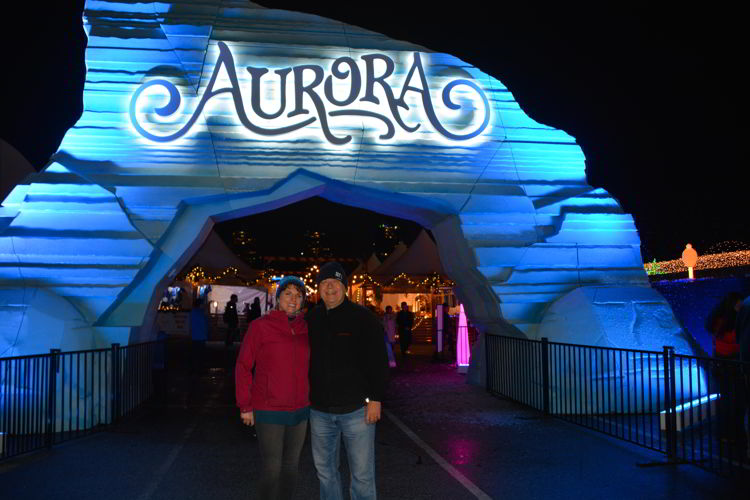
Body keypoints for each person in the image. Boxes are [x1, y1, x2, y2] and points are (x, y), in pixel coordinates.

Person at [306, 262, 389, 500]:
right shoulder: (312, 318)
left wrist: (376, 399)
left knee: (362, 475)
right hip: (320, 410)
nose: (330, 287)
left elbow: (378, 362)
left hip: (357, 410)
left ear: (344, 287)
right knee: (325, 472)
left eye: (335, 282)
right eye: (324, 283)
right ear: (319, 288)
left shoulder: (364, 318)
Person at [235, 276, 310, 500]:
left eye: (298, 295)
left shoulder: (306, 328)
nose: (293, 299)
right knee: (272, 468)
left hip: (300, 409)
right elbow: (243, 365)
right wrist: (245, 405)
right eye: (288, 294)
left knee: (291, 467)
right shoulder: (261, 326)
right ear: (278, 298)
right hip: (269, 408)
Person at [189, 298, 209, 374]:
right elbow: (205, 324)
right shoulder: (202, 313)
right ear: (200, 305)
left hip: (195, 336)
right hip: (201, 336)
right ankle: (198, 368)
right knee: (200, 354)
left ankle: (195, 368)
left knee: (195, 353)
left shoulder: (193, 312)